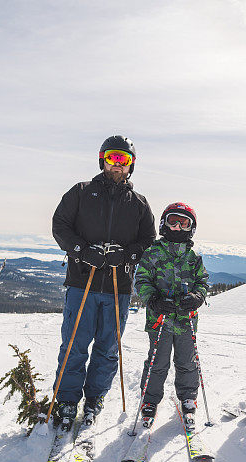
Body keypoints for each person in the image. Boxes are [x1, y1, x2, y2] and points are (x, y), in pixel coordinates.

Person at [51, 135, 155, 426]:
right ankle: (68, 400)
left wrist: (128, 255)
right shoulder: (81, 192)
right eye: (112, 158)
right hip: (81, 283)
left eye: (124, 160)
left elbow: (148, 240)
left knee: (108, 347)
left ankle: (95, 398)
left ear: (131, 165)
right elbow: (60, 226)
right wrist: (82, 251)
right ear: (102, 159)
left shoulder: (138, 203)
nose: (117, 165)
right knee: (74, 344)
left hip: (117, 286)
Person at [134, 202, 209, 429]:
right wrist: (154, 300)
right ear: (164, 224)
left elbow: (202, 281)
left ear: (191, 227)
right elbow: (142, 280)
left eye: (183, 223)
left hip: (186, 320)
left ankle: (187, 397)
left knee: (187, 361)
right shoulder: (153, 253)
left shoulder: (193, 255)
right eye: (172, 221)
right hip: (160, 318)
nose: (177, 227)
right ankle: (150, 400)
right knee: (158, 361)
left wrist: (197, 296)